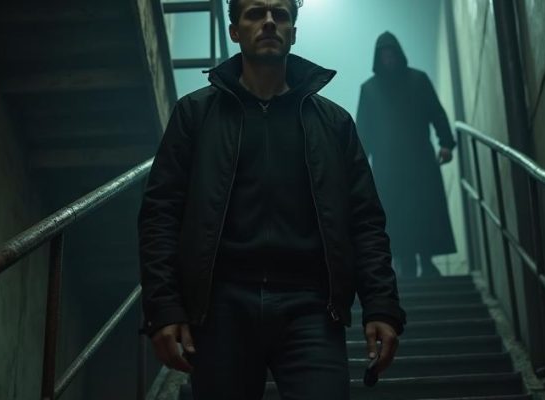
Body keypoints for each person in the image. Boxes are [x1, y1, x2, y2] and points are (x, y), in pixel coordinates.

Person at [138, 1, 406, 399]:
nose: (268, 22)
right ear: (234, 31)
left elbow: (365, 221)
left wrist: (381, 305)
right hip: (220, 307)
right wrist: (164, 307)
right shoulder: (195, 115)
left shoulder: (333, 123)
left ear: (293, 32)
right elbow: (161, 214)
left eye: (280, 15)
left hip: (311, 307)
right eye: (254, 14)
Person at [356, 31, 457, 280]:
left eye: (391, 53)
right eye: (384, 55)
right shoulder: (369, 90)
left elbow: (436, 112)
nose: (388, 58)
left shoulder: (418, 80)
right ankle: (406, 263)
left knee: (424, 211)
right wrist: (358, 167)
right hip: (387, 167)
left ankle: (427, 261)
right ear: (378, 58)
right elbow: (364, 131)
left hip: (419, 160)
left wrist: (446, 143)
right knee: (395, 215)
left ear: (398, 54)